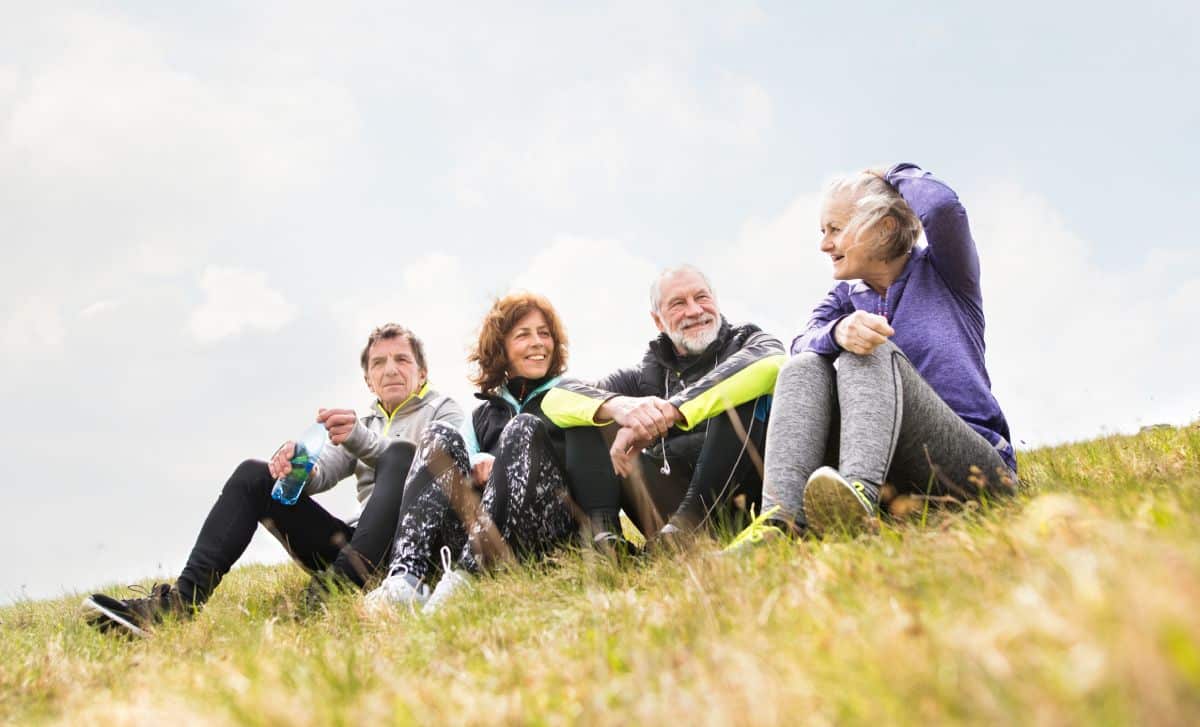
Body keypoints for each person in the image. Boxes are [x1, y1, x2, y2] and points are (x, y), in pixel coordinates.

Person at [83, 324, 463, 636]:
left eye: (402, 359)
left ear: (422, 372)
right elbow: (322, 474)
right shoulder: (362, 425)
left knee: (400, 455)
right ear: (368, 379)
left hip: (415, 551)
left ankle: (336, 589)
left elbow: (434, 466)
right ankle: (181, 603)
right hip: (358, 544)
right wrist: (295, 468)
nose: (391, 369)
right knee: (254, 473)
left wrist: (359, 438)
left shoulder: (444, 410)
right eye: (379, 363)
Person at [732, 163, 1017, 544]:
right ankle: (779, 522)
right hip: (898, 480)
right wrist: (837, 331)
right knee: (803, 365)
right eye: (822, 231)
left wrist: (894, 172)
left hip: (973, 467)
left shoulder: (947, 272)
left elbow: (944, 208)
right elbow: (800, 342)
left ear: (882, 226)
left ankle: (858, 497)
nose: (824, 244)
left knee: (867, 351)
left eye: (835, 229)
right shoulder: (844, 298)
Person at [366, 292, 615, 613]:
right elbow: (457, 469)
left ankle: (466, 579)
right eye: (523, 335)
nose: (538, 342)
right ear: (501, 348)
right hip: (483, 534)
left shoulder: (569, 393)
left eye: (544, 333)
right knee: (438, 435)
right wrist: (475, 461)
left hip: (547, 531)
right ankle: (405, 578)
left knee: (523, 427)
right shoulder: (481, 415)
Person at [540, 265, 785, 544]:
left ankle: (687, 531)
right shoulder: (643, 378)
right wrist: (620, 407)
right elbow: (555, 399)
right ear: (658, 321)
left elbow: (773, 363)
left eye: (701, 297)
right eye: (678, 303)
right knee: (587, 412)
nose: (694, 311)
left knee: (743, 390)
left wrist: (672, 411)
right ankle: (605, 540)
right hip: (665, 506)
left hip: (738, 501)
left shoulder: (749, 342)